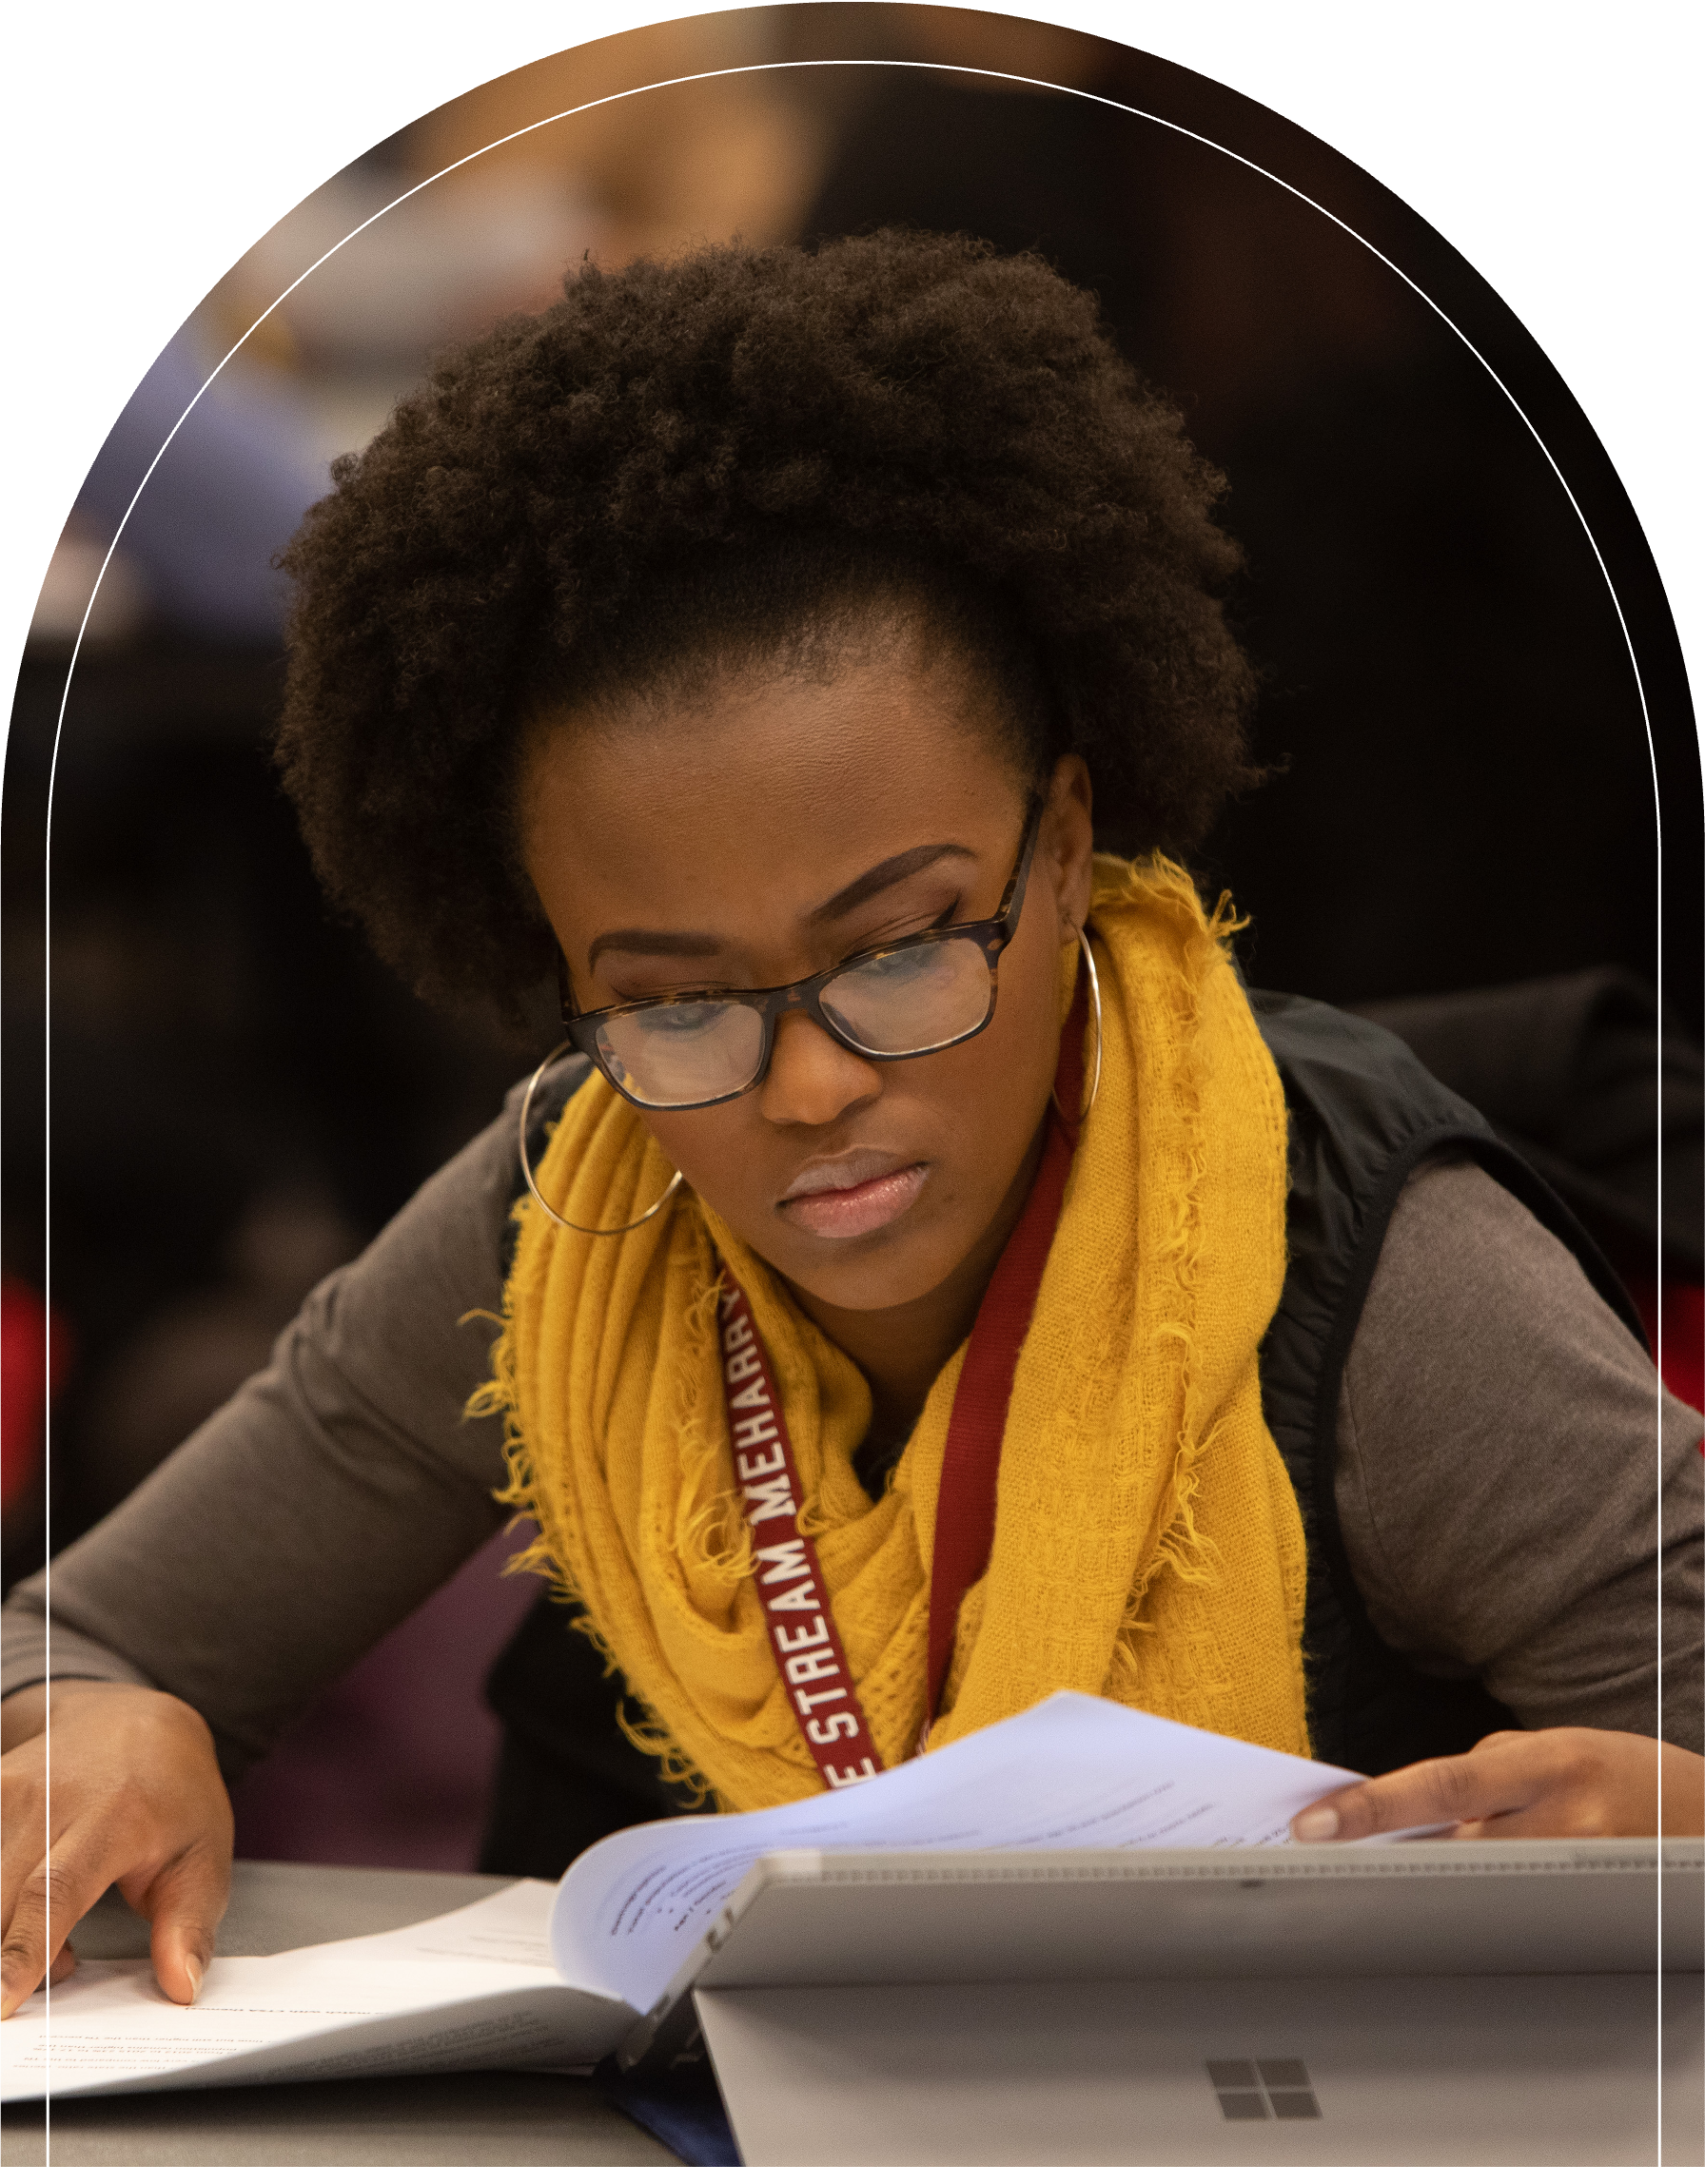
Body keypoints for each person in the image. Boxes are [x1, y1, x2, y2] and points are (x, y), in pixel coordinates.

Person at [3, 232, 1701, 2021]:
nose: (808, 1085)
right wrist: (103, 1718)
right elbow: (83, 1634)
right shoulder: (566, 1215)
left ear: (1060, 849)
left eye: (896, 951)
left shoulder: (1377, 1286)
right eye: (673, 1000)